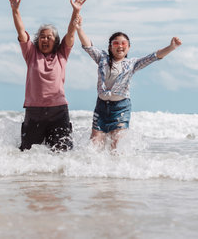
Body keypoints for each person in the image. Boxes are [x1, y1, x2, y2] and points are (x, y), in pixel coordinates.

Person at [75, 15, 182, 150]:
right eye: (116, 43)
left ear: (129, 47)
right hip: (101, 107)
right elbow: (88, 46)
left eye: (123, 43)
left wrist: (171, 47)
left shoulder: (132, 64)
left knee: (116, 145)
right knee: (95, 144)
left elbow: (154, 56)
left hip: (120, 107)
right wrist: (79, 29)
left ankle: (116, 169)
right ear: (110, 46)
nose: (120, 46)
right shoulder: (102, 58)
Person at [6, 0, 86, 152]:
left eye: (49, 37)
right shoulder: (31, 53)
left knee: (62, 152)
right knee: (28, 153)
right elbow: (21, 32)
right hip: (34, 111)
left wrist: (76, 11)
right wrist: (15, 11)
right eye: (42, 36)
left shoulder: (62, 53)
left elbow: (71, 33)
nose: (45, 39)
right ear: (37, 40)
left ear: (55, 41)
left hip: (59, 111)